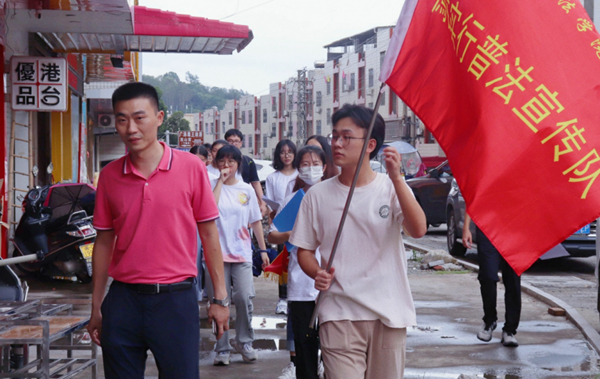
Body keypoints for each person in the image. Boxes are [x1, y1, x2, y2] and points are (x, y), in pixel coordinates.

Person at [87, 82, 229, 379]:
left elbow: (209, 235)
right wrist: (97, 306)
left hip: (175, 301)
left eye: (140, 117)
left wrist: (220, 298)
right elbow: (103, 242)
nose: (130, 128)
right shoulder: (110, 176)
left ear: (160, 117)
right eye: (122, 119)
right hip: (123, 301)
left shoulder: (190, 167)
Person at [290, 104, 427, 379]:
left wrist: (397, 178)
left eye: (346, 137)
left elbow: (418, 229)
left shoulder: (390, 188)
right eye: (334, 136)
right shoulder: (317, 196)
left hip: (388, 312)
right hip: (338, 313)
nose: (337, 144)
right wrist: (315, 272)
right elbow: (304, 250)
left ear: (370, 144)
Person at [205, 144, 270, 366]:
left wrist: (262, 250)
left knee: (243, 298)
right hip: (216, 255)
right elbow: (209, 211)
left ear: (238, 164)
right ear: (216, 163)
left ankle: (244, 342)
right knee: (219, 301)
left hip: (241, 254)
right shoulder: (211, 186)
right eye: (222, 161)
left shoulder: (247, 190)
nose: (226, 165)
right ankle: (222, 348)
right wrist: (220, 182)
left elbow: (255, 221)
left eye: (231, 161)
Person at [270, 145, 331, 379]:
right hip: (301, 287)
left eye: (316, 164)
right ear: (297, 168)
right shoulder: (294, 200)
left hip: (331, 285)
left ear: (324, 167)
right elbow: (273, 235)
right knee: (305, 350)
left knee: (333, 348)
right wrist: (296, 233)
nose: (311, 169)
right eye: (305, 164)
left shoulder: (335, 197)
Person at [463, 214, 521, 347]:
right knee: (487, 276)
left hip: (514, 229)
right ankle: (489, 321)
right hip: (488, 227)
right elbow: (473, 198)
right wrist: (466, 227)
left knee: (513, 279)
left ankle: (509, 330)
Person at [265, 139, 299, 316]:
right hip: (281, 225)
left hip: (300, 222)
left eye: (290, 152)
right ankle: (283, 299)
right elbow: (270, 203)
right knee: (283, 262)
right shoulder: (272, 177)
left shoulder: (300, 175)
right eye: (283, 152)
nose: (286, 155)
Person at [224, 129, 268, 215]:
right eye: (230, 141)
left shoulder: (248, 161)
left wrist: (263, 203)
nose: (233, 144)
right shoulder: (221, 162)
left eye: (236, 141)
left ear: (241, 143)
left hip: (243, 200)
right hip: (225, 200)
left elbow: (255, 183)